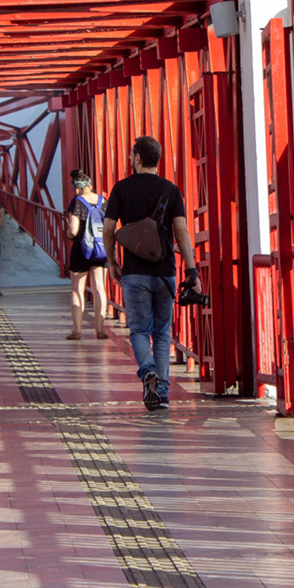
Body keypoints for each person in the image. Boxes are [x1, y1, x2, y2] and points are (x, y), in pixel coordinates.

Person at [103, 136, 201, 411]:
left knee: (138, 330)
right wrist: (191, 268)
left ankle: (147, 371)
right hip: (165, 273)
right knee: (161, 333)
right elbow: (180, 231)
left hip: (134, 273)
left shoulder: (121, 189)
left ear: (137, 158)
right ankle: (163, 392)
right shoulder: (170, 190)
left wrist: (112, 262)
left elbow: (108, 230)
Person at [64, 169, 109, 340]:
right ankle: (99, 329)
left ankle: (77, 330)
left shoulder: (77, 202)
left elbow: (73, 231)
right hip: (100, 249)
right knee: (99, 287)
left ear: (76, 188)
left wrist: (68, 233)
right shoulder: (103, 200)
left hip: (81, 250)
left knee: (77, 289)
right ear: (90, 185)